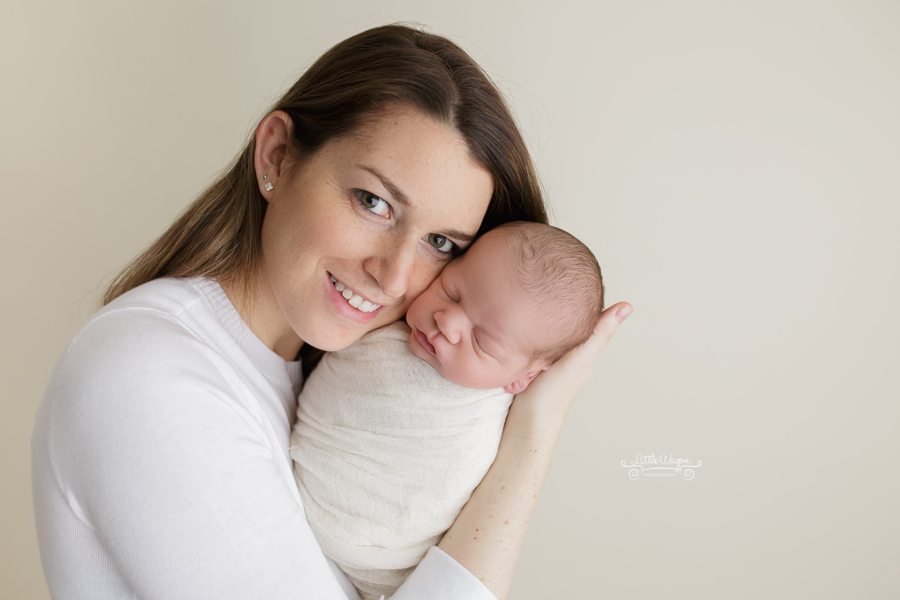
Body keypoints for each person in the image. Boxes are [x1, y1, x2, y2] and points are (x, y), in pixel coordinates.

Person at [31, 24, 632, 600]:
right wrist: (533, 437)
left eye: (441, 243)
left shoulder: (337, 382)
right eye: (374, 202)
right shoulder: (148, 379)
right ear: (278, 156)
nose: (395, 276)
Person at [291, 221, 605, 600]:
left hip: (382, 563)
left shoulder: (487, 409)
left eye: (482, 341)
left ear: (524, 378)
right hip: (298, 510)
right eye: (452, 292)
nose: (449, 322)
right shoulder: (380, 317)